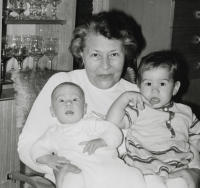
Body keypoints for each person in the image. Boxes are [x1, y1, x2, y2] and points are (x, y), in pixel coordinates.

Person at [18, 10, 200, 188]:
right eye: (95, 55)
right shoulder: (64, 85)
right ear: (81, 54)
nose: (105, 66)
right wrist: (55, 166)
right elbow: (27, 144)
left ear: (125, 55)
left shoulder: (138, 94)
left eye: (114, 55)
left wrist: (196, 170)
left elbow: (178, 133)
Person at [106, 51, 200, 188]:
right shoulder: (138, 107)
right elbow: (112, 122)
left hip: (178, 169)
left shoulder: (186, 112)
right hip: (144, 169)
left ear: (175, 88)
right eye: (148, 84)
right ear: (139, 86)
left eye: (162, 84)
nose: (154, 91)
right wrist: (124, 98)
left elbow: (197, 139)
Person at [30, 82, 146, 188]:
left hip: (110, 168)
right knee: (72, 179)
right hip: (80, 172)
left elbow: (114, 130)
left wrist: (103, 141)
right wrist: (48, 158)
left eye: (75, 100)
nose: (69, 103)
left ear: (84, 108)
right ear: (52, 111)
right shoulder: (52, 133)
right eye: (61, 101)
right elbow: (36, 148)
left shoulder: (92, 122)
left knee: (134, 175)